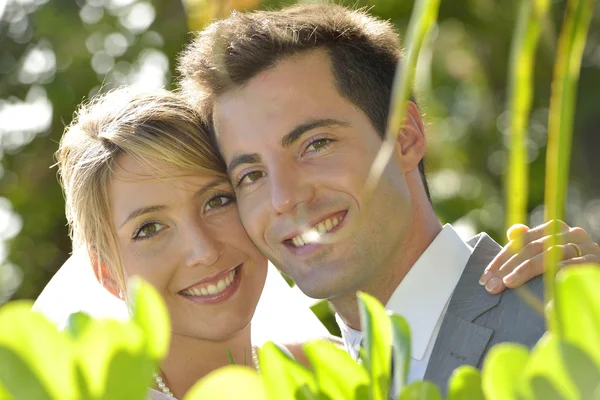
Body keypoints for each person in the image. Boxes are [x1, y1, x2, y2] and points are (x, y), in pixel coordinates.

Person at [177, 3, 600, 394]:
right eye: (250, 175)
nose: (283, 198)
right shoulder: (299, 385)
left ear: (405, 137)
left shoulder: (560, 320)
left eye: (315, 144)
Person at [51, 87, 322, 399]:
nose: (204, 251)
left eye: (217, 201)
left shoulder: (337, 375)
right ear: (107, 273)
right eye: (150, 228)